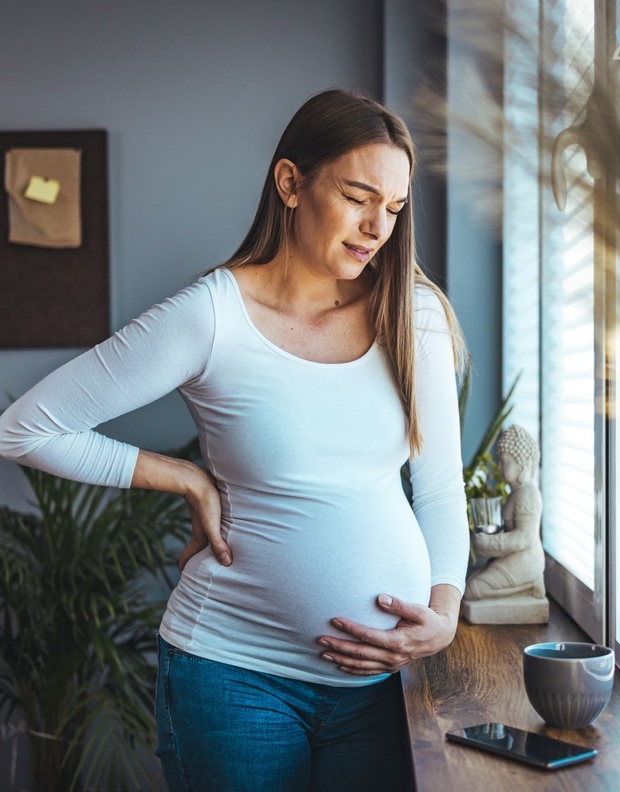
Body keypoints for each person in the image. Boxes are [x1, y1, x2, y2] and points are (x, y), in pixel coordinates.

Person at [0, 88, 470, 792]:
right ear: (290, 183)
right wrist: (183, 477)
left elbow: (437, 486)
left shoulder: (414, 311)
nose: (378, 226)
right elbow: (25, 427)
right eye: (357, 196)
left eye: (395, 208)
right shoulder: (210, 317)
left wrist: (445, 610)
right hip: (231, 680)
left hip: (379, 690)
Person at [464, 425, 546, 602]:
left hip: (526, 560)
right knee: (469, 582)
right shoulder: (515, 493)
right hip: (514, 556)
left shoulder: (529, 494)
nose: (499, 466)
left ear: (523, 464)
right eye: (499, 460)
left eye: (504, 461)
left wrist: (491, 542)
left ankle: (529, 586)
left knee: (473, 590)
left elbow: (525, 538)